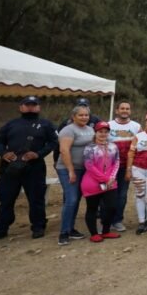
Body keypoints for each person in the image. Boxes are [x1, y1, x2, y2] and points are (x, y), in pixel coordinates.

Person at [0, 96, 57, 244]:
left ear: (38, 107)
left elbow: (53, 142)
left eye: (33, 105)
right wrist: (3, 153)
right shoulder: (11, 124)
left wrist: (39, 154)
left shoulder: (46, 124)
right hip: (10, 167)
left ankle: (38, 226)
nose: (30, 107)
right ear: (20, 107)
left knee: (36, 199)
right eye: (27, 105)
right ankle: (0, 229)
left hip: (34, 167)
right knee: (6, 199)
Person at [56, 104, 95, 245]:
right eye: (81, 115)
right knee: (71, 200)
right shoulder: (68, 130)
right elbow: (64, 151)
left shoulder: (90, 129)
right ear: (73, 116)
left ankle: (71, 229)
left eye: (86, 115)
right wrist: (71, 170)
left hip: (84, 170)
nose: (84, 117)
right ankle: (64, 233)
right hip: (68, 169)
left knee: (76, 199)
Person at [81, 122, 121, 242]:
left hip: (110, 182)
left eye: (106, 132)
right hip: (92, 183)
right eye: (100, 132)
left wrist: (112, 177)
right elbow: (89, 166)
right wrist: (105, 179)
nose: (103, 134)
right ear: (95, 133)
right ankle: (94, 233)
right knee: (92, 208)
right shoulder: (90, 148)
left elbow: (117, 162)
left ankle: (106, 231)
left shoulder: (113, 146)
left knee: (112, 207)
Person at [108, 101, 142, 232]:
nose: (125, 110)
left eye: (127, 108)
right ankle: (106, 219)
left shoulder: (136, 126)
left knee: (122, 194)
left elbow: (140, 146)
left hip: (126, 165)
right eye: (122, 108)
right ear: (117, 110)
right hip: (109, 166)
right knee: (108, 194)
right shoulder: (109, 125)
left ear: (130, 111)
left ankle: (117, 220)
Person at [54, 97, 101, 162]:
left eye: (85, 106)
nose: (82, 108)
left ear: (89, 107)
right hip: (71, 159)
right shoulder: (67, 122)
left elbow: (102, 135)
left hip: (90, 160)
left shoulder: (96, 120)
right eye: (80, 106)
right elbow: (59, 143)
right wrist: (55, 159)